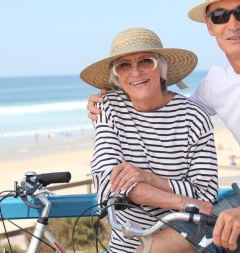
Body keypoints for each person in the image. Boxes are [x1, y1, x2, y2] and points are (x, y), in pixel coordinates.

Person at [86, 0, 240, 252]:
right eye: (220, 16)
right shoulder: (214, 83)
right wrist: (106, 104)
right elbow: (174, 113)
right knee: (154, 249)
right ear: (210, 26)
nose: (232, 23)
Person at [80, 27, 218, 253]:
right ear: (117, 76)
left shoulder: (193, 117)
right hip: (124, 246)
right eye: (124, 65)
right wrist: (181, 202)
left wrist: (147, 178)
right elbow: (108, 185)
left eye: (146, 61)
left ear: (161, 68)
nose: (135, 72)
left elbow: (205, 194)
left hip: (180, 245)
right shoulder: (109, 107)